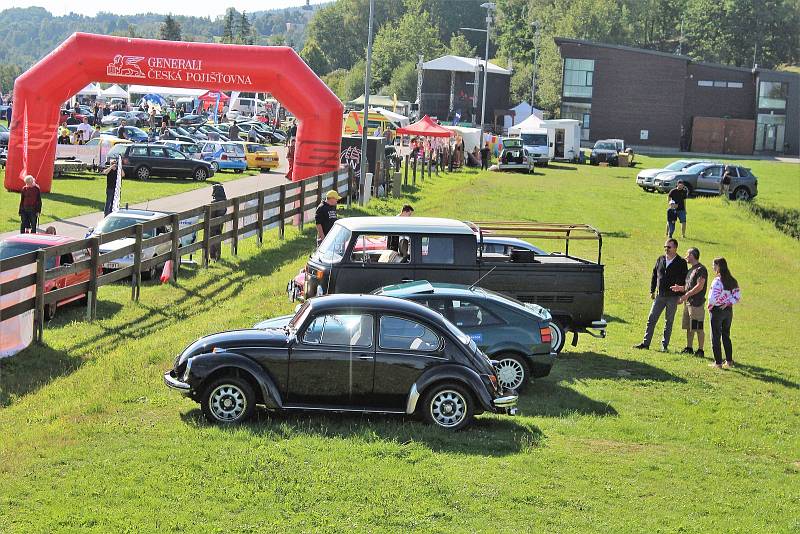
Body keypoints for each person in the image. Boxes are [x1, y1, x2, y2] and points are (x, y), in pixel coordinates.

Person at [634, 238, 688, 351]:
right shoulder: (660, 259)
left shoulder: (681, 262)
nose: (666, 249)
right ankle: (645, 343)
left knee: (668, 322)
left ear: (675, 248)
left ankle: (664, 346)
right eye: (665, 247)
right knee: (651, 318)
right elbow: (654, 275)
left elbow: (685, 279)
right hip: (660, 296)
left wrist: (681, 295)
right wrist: (652, 290)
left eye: (669, 247)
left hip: (673, 297)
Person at [670, 247, 708, 357]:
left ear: (692, 255)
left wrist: (686, 295)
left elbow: (699, 286)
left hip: (696, 304)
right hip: (689, 303)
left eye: (687, 254)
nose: (686, 256)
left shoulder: (701, 269)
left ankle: (700, 350)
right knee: (689, 327)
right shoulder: (691, 269)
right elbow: (689, 286)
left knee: (698, 328)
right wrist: (680, 288)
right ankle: (689, 347)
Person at [707, 257, 741, 368]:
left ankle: (718, 363)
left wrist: (712, 305)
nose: (713, 267)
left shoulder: (717, 281)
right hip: (728, 311)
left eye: (714, 265)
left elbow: (712, 298)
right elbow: (737, 296)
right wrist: (728, 303)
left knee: (715, 336)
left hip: (717, 311)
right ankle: (729, 361)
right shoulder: (732, 280)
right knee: (726, 335)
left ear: (718, 266)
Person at [209, 184, 227, 261]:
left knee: (212, 238)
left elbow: (211, 215)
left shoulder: (214, 203)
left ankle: (213, 256)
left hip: (213, 223)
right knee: (218, 237)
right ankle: (218, 255)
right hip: (220, 223)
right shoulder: (225, 201)